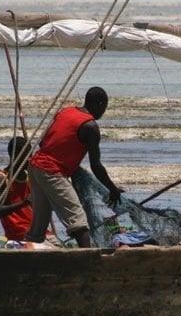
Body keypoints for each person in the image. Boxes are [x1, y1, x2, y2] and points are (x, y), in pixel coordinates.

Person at [26, 86, 122, 248]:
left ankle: (25, 256)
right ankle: (89, 260)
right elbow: (96, 165)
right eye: (104, 108)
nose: (103, 113)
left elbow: (44, 142)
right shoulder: (90, 126)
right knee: (77, 219)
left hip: (35, 167)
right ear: (99, 104)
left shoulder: (66, 111)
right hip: (51, 171)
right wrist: (112, 189)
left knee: (38, 227)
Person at [0, 136, 34, 242]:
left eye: (30, 156)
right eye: (26, 157)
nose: (29, 160)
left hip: (37, 231)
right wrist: (24, 203)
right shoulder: (1, 179)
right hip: (19, 235)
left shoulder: (30, 175)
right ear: (15, 155)